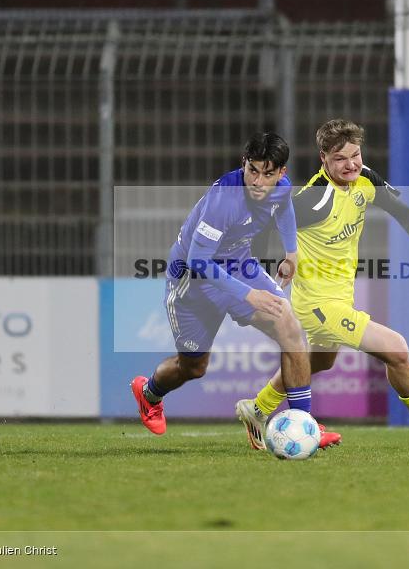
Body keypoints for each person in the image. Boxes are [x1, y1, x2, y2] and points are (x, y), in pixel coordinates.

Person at [236, 119, 409, 449]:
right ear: (323, 158)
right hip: (317, 305)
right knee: (397, 349)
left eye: (355, 155)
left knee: (320, 360)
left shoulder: (364, 180)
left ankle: (258, 408)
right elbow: (263, 223)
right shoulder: (315, 200)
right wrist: (259, 274)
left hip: (338, 299)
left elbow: (401, 210)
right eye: (340, 159)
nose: (351, 165)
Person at [131, 132, 318, 437]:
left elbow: (284, 207)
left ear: (281, 173)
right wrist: (250, 295)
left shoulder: (280, 188)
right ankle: (148, 394)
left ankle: (304, 425)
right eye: (252, 170)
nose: (258, 181)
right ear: (244, 163)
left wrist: (291, 252)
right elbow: (198, 262)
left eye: (267, 174)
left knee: (290, 327)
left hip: (238, 266)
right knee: (193, 368)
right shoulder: (224, 201)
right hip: (192, 282)